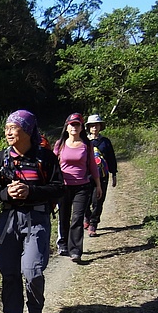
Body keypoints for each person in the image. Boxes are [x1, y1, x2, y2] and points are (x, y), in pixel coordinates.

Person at [0, 110, 65, 313]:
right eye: (7, 127)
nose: (8, 132)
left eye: (14, 127)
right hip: (9, 219)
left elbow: (59, 188)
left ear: (27, 131)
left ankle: (36, 312)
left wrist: (31, 191)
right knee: (9, 271)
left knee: (32, 270)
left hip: (37, 218)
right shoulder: (0, 159)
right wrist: (5, 193)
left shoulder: (46, 159)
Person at [53, 113, 103, 263]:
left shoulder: (87, 145)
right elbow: (52, 165)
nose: (74, 127)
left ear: (81, 128)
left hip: (82, 187)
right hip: (64, 187)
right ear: (67, 127)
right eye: (72, 124)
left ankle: (75, 251)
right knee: (64, 217)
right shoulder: (60, 144)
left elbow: (93, 166)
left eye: (77, 125)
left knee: (77, 218)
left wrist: (98, 185)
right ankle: (63, 245)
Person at [84, 114, 118, 237]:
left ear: (100, 127)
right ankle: (86, 217)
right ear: (88, 127)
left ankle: (93, 223)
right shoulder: (84, 141)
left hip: (102, 175)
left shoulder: (105, 142)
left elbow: (111, 158)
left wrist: (114, 174)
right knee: (85, 200)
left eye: (96, 125)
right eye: (92, 126)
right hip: (86, 176)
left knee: (98, 200)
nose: (94, 128)